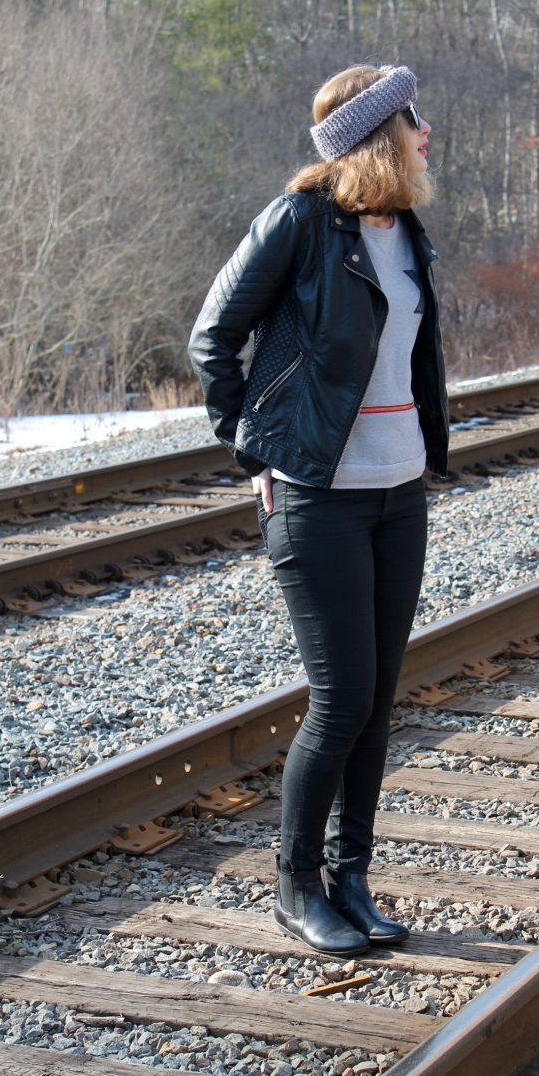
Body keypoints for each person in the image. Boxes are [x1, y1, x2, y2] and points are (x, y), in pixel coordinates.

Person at [188, 63, 448, 956]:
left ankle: (352, 879)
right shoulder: (300, 222)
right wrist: (252, 444)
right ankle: (295, 886)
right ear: (382, 133)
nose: (427, 134)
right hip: (318, 497)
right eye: (416, 120)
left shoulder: (405, 229)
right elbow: (214, 337)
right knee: (340, 700)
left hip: (398, 489)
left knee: (378, 699)